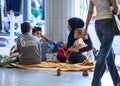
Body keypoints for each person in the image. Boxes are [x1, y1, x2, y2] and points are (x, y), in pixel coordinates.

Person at [83, 0, 120, 86]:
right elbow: (116, 9)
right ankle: (95, 83)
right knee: (103, 53)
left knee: (109, 53)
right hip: (108, 22)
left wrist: (86, 29)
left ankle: (117, 81)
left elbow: (90, 12)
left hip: (98, 24)